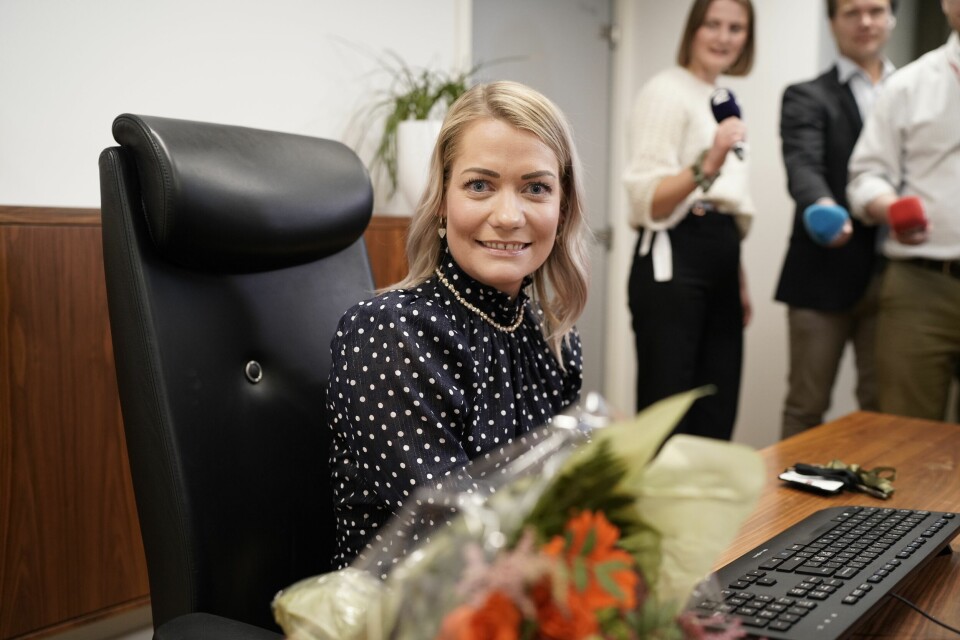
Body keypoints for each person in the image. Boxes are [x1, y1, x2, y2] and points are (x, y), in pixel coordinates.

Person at [327, 81, 591, 567]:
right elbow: (459, 539)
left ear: (562, 206)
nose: (509, 216)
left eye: (535, 188)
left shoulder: (553, 337)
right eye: (480, 185)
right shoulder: (388, 331)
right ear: (443, 202)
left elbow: (580, 500)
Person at [622, 0, 755, 441]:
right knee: (668, 411)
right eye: (712, 25)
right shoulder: (666, 91)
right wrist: (709, 160)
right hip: (674, 252)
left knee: (720, 405)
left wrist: (737, 275)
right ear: (693, 30)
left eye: (736, 28)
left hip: (721, 250)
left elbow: (727, 204)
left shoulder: (724, 100)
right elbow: (648, 200)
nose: (723, 37)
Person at [774, 0, 897, 439]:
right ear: (832, 22)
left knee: (887, 411)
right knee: (806, 407)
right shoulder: (807, 95)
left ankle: (886, 511)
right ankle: (790, 509)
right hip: (823, 268)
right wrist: (823, 207)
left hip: (899, 275)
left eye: (876, 10)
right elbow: (803, 164)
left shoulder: (915, 90)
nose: (865, 21)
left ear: (891, 18)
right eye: (851, 11)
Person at [847, 0, 960, 422]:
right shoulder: (908, 85)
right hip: (921, 289)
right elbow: (865, 177)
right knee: (906, 439)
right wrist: (889, 207)